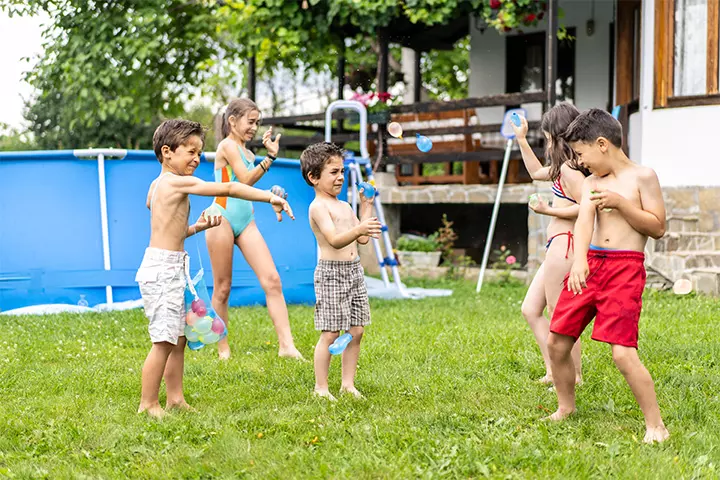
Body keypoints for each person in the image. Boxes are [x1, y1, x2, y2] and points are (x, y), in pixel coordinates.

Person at [135, 119, 294, 418]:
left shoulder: (156, 186)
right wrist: (269, 196)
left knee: (179, 338)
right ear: (167, 152)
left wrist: (198, 226)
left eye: (199, 152)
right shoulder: (175, 181)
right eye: (190, 152)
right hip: (163, 271)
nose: (197, 158)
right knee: (163, 341)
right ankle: (148, 403)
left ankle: (175, 399)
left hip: (169, 265)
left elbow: (170, 229)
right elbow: (231, 187)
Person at [545, 108, 669, 444]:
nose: (581, 162)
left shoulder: (643, 177)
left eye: (581, 153)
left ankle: (656, 425)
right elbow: (585, 220)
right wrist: (579, 260)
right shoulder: (590, 182)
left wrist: (621, 204)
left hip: (624, 269)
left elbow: (657, 227)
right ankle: (566, 406)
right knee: (557, 341)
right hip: (589, 266)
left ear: (602, 144)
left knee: (622, 353)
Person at [205, 98, 303, 360]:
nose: (254, 128)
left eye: (257, 123)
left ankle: (287, 347)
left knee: (272, 280)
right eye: (251, 122)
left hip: (246, 220)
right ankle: (222, 347)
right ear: (232, 121)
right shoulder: (226, 146)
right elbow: (245, 179)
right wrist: (271, 156)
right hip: (221, 218)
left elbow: (248, 186)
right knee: (223, 288)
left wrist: (272, 193)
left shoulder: (248, 153)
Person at [512, 103, 588, 385]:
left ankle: (574, 375)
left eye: (547, 138)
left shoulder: (571, 170)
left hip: (566, 245)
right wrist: (521, 138)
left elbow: (586, 207)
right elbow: (535, 173)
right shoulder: (562, 168)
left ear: (559, 137)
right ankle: (554, 369)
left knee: (561, 317)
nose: (546, 144)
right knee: (530, 309)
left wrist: (549, 211)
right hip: (557, 245)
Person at [300, 142, 382, 400]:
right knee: (331, 332)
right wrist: (359, 229)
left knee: (357, 330)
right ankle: (320, 388)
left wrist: (365, 206)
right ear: (313, 177)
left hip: (353, 272)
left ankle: (348, 384)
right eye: (333, 172)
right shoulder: (318, 207)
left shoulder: (345, 206)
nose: (340, 177)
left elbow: (362, 240)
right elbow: (335, 239)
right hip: (331, 273)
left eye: (342, 171)